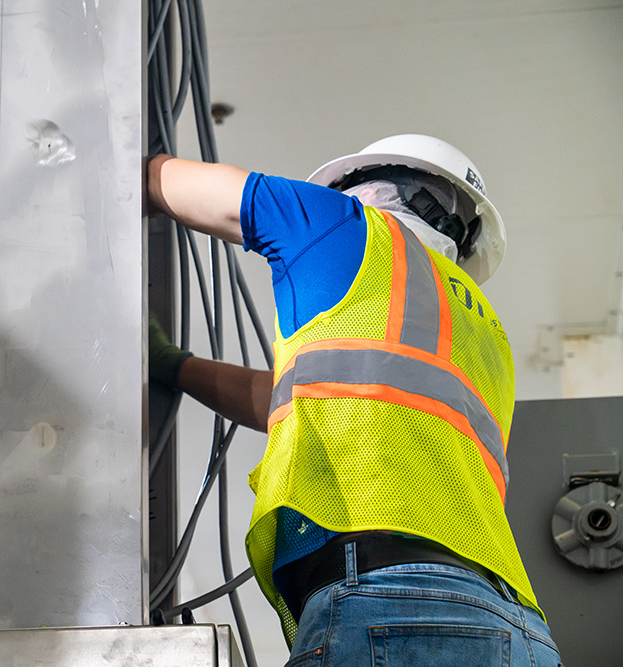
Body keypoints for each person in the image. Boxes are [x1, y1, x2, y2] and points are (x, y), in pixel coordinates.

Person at [145, 135, 562, 666]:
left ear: (372, 185)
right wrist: (176, 367)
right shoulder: (489, 335)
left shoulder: (348, 228)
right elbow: (304, 396)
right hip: (516, 625)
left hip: (387, 599)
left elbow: (164, 181)